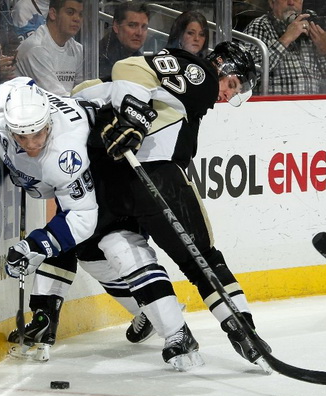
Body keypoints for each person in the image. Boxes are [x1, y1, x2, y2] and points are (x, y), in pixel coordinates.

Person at [72, 41, 272, 372]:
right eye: (233, 83)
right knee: (199, 259)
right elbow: (128, 68)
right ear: (221, 66)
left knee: (119, 250)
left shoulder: (189, 89)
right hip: (154, 176)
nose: (227, 93)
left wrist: (126, 115)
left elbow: (88, 90)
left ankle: (183, 335)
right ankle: (238, 331)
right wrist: (133, 115)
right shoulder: (203, 76)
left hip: (111, 180)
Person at [0, 77, 202, 370]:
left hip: (113, 171)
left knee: (120, 246)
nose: (32, 144)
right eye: (22, 137)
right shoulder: (7, 102)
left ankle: (178, 333)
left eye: (38, 134)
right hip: (87, 176)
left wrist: (34, 246)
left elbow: (82, 219)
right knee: (89, 254)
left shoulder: (64, 153)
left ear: (48, 122)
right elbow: (14, 86)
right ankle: (144, 313)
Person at [242, 0, 326, 95]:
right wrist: (286, 39)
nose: (291, 2)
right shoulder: (260, 26)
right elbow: (247, 74)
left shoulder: (311, 26)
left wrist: (324, 48)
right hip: (273, 109)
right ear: (272, 3)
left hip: (311, 108)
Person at [14, 0, 83, 96]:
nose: (77, 19)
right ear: (53, 14)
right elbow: (56, 96)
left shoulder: (78, 49)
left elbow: (82, 91)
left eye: (80, 14)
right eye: (70, 12)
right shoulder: (36, 48)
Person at [98, 1, 149, 80]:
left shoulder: (140, 60)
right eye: (132, 25)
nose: (139, 33)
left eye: (144, 27)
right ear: (116, 26)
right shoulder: (99, 56)